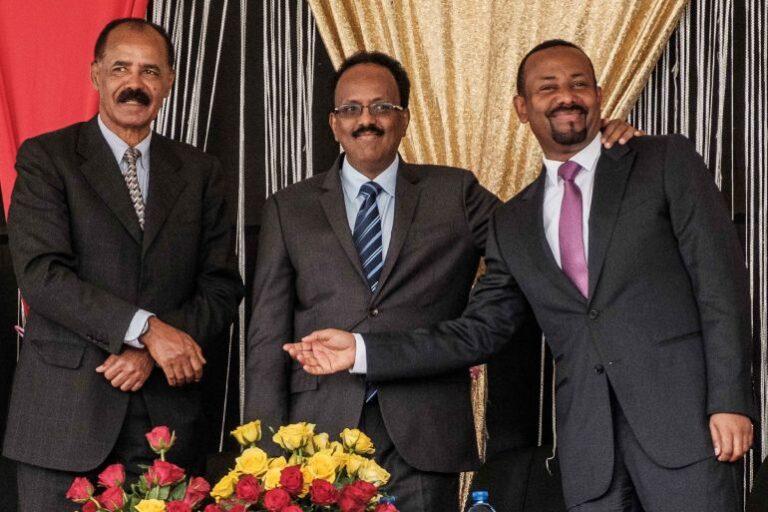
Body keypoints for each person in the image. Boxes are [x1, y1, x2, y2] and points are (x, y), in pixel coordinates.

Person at [285, 40, 754, 512]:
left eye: (579, 84)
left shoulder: (662, 161)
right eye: (547, 87)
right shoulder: (514, 221)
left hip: (688, 430)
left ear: (599, 94)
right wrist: (362, 350)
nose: (566, 97)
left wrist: (731, 400)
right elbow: (480, 330)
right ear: (522, 108)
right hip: (590, 451)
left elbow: (721, 287)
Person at [247, 50, 640, 510]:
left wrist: (595, 154)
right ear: (334, 123)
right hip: (316, 435)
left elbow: (532, 230)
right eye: (351, 109)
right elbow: (266, 336)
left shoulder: (453, 192)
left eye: (382, 107)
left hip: (425, 431)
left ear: (404, 119)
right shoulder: (288, 207)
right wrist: (264, 456)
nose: (366, 120)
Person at [4, 18, 243, 510]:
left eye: (150, 72)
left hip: (164, 426)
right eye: (120, 68)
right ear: (95, 75)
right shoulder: (47, 158)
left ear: (170, 82)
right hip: (62, 420)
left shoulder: (201, 172)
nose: (135, 84)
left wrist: (150, 349)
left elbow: (221, 287)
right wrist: (147, 329)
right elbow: (42, 276)